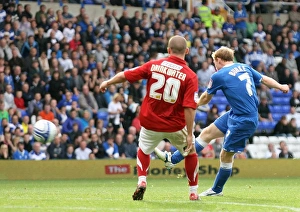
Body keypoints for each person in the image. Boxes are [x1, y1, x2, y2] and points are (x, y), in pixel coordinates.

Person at [155, 46, 289, 196]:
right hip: (236, 113)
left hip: (244, 120)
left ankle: (217, 189)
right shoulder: (244, 67)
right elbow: (264, 79)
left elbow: (206, 98)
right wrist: (280, 86)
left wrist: (193, 105)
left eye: (214, 63)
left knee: (225, 155)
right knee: (206, 133)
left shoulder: (220, 75)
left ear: (218, 60)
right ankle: (172, 159)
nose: (214, 66)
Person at [100, 35, 199, 201]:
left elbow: (127, 74)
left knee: (143, 150)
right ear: (187, 51)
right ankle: (193, 192)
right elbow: (189, 107)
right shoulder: (190, 76)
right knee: (190, 153)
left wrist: (108, 82)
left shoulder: (154, 65)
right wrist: (189, 133)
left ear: (168, 50)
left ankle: (142, 181)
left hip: (150, 122)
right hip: (175, 124)